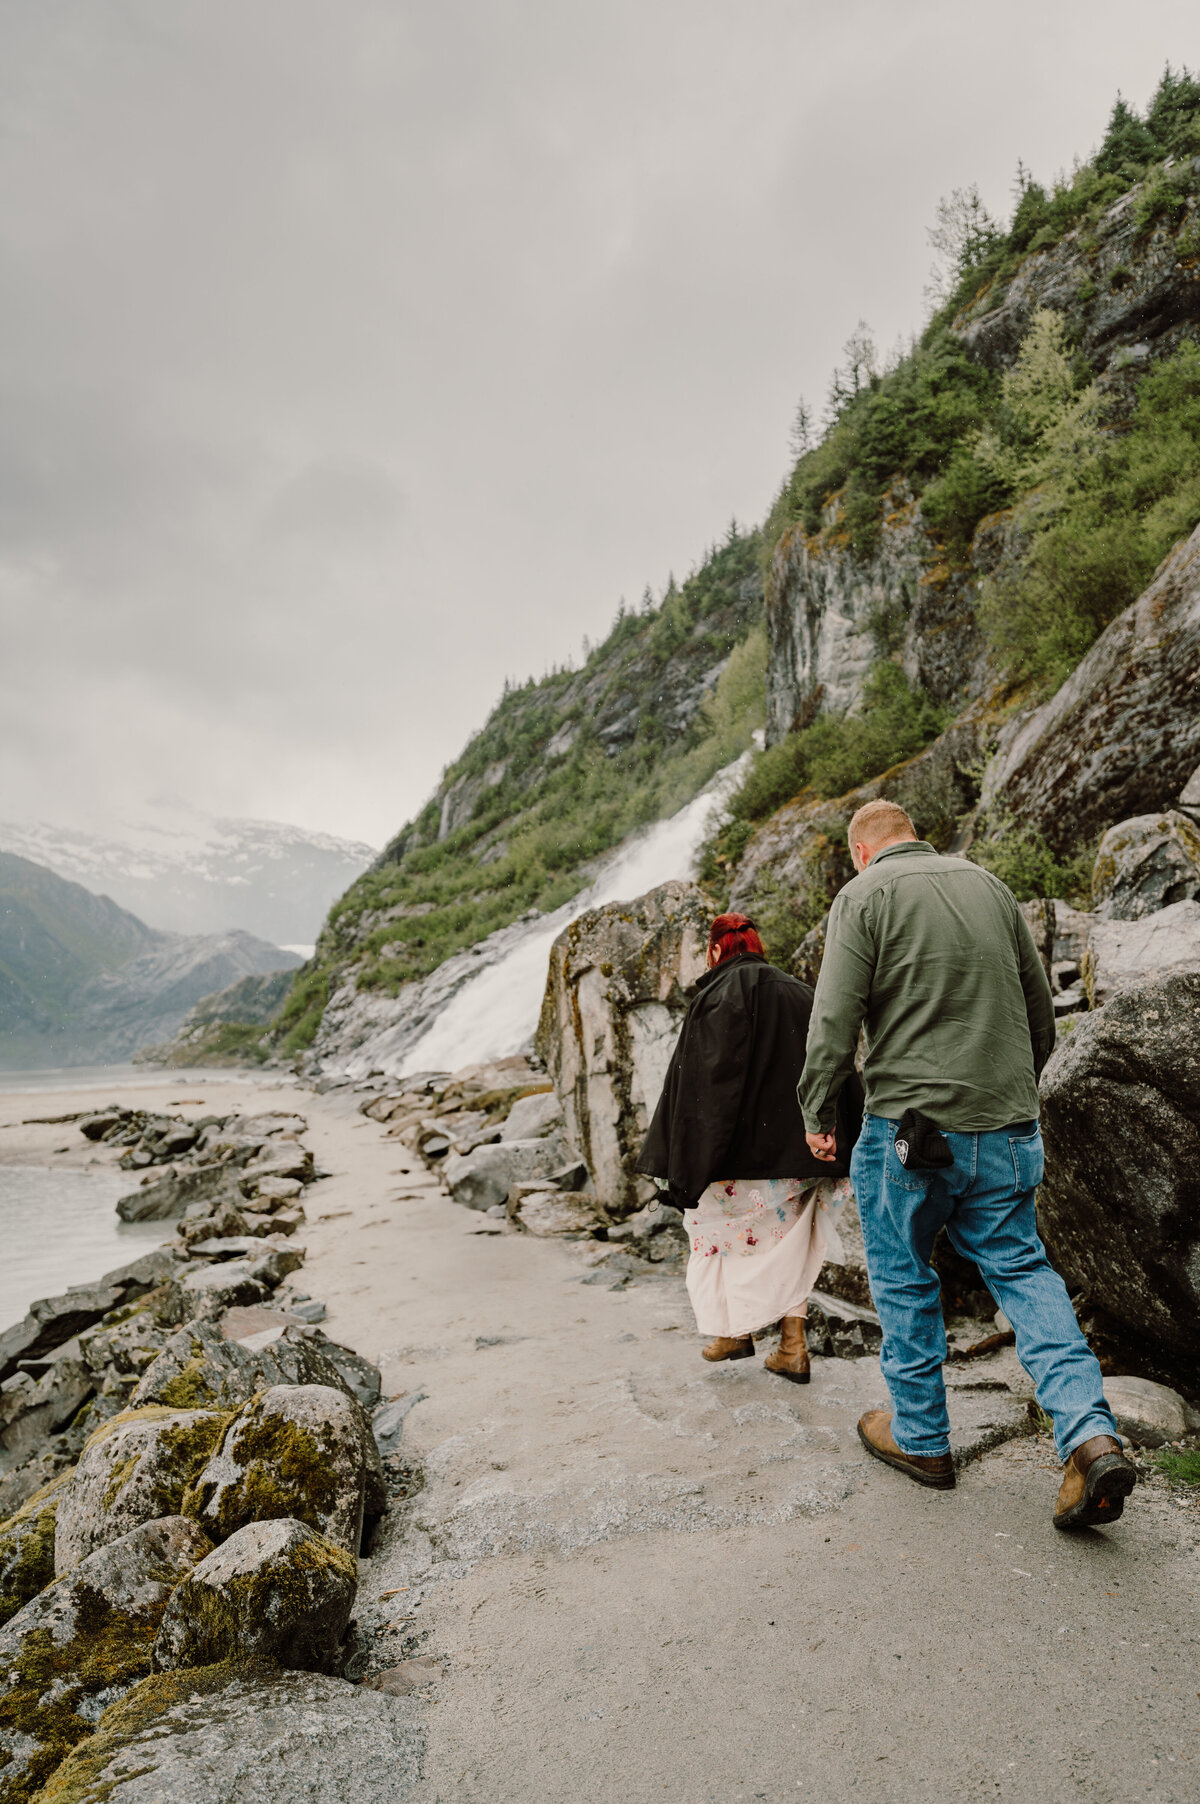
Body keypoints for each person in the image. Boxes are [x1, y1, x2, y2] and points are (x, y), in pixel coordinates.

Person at [799, 798, 1135, 1529]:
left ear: (862, 851)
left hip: (911, 1132)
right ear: (916, 834)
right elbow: (1038, 1004)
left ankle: (922, 1439)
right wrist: (1025, 1090)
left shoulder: (863, 896)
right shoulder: (988, 885)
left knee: (902, 1272)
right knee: (1021, 1270)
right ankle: (1090, 1434)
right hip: (1007, 1125)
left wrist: (816, 1110)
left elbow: (834, 1018)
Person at [638, 912, 861, 1381]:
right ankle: (791, 1344)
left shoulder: (715, 997)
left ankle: (734, 1333)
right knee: (790, 1246)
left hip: (734, 1159)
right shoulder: (802, 992)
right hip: (803, 1154)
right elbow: (836, 1060)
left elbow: (705, 1087)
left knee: (716, 1236)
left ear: (716, 951)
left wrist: (687, 1161)